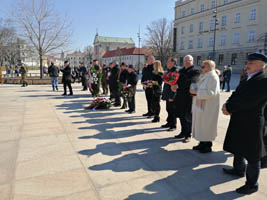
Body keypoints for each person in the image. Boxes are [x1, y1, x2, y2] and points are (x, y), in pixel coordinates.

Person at [222, 53, 267, 194]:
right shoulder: (248, 77)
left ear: (262, 64)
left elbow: (249, 101)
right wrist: (227, 103)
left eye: (251, 63)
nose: (247, 65)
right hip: (240, 119)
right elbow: (236, 94)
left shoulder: (264, 80)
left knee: (253, 154)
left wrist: (229, 108)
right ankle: (238, 169)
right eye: (247, 63)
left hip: (252, 122)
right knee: (238, 146)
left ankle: (252, 184)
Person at [190, 60, 220, 153]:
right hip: (201, 105)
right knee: (201, 125)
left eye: (203, 67)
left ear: (209, 67)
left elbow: (211, 92)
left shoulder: (213, 77)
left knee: (206, 126)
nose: (201, 68)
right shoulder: (205, 75)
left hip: (208, 107)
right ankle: (201, 143)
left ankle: (207, 146)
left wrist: (196, 92)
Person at [172, 55, 201, 143]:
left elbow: (192, 81)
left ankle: (188, 134)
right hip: (180, 96)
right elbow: (175, 80)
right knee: (181, 115)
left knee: (187, 116)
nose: (187, 62)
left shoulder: (195, 71)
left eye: (189, 60)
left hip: (189, 97)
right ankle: (183, 132)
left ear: (192, 61)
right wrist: (172, 85)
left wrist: (178, 85)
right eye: (185, 60)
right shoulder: (180, 71)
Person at [161, 58, 178, 130]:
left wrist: (172, 96)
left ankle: (173, 125)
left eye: (168, 62)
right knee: (168, 109)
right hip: (167, 92)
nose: (167, 63)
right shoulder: (169, 71)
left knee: (172, 110)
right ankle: (169, 122)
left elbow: (174, 84)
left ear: (173, 63)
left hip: (171, 94)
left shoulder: (175, 71)